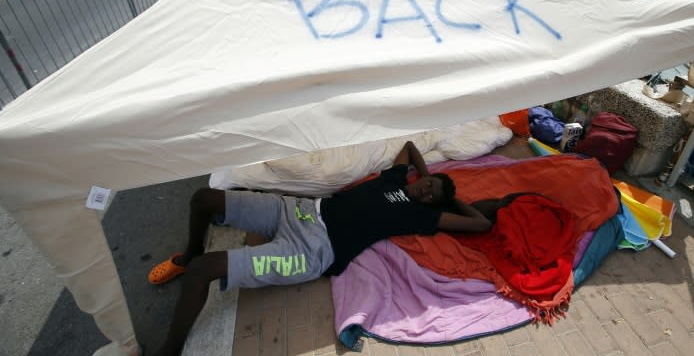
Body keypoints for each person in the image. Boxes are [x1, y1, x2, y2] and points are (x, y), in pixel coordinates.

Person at [147, 140, 490, 356]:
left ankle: (169, 350)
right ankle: (189, 253)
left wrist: (450, 198)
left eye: (432, 197)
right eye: (427, 185)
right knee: (203, 198)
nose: (425, 193)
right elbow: (412, 146)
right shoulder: (396, 178)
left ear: (434, 206)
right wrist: (432, 175)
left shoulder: (420, 216)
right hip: (303, 210)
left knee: (203, 271)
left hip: (313, 251)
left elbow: (481, 224)